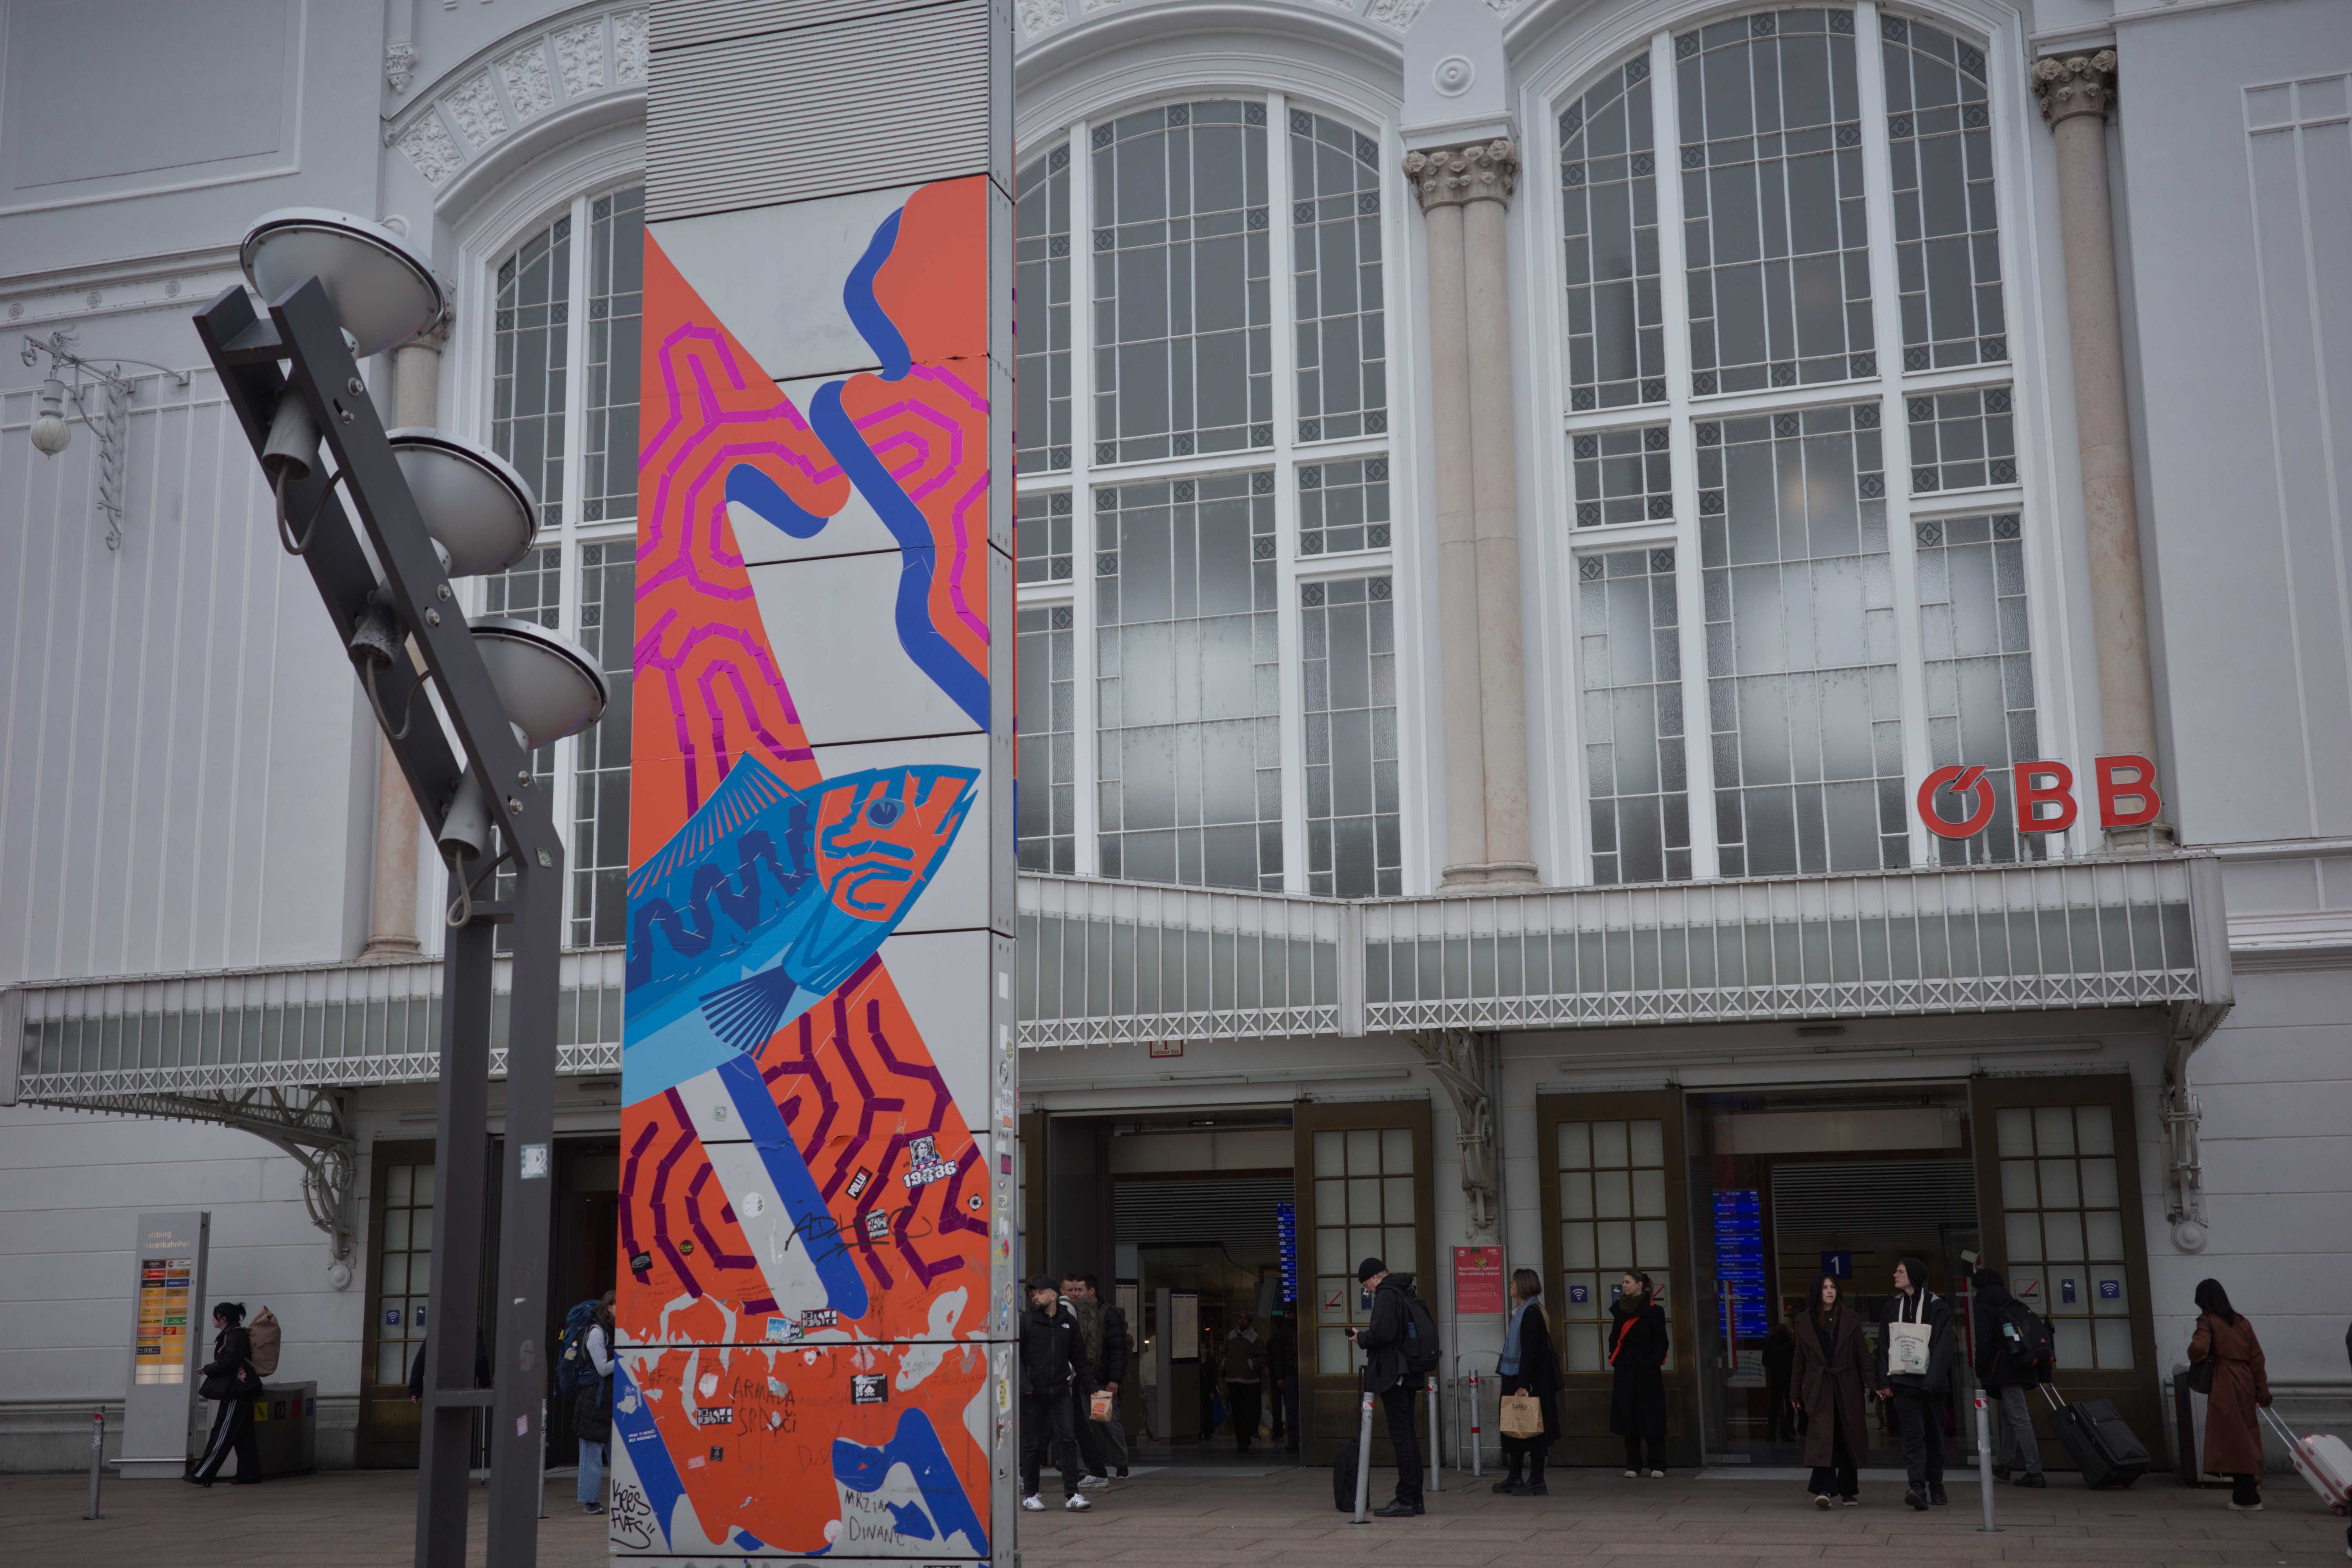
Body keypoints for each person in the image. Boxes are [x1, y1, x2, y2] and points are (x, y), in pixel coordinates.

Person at [1873, 1257, 1954, 1512]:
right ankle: (1917, 1486)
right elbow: (1884, 1345)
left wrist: (1931, 1382)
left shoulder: (1937, 1307)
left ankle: (1936, 1483)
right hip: (1902, 1385)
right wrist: (1884, 1382)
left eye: (1900, 1271)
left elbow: (1944, 1347)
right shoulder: (1890, 1307)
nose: (1895, 1275)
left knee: (1934, 1437)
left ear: (1915, 1275)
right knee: (1912, 1437)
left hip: (1932, 1387)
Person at [1348, 1257, 1425, 1517]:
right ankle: (1415, 1497)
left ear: (1373, 1278)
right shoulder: (1404, 1291)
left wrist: (1362, 1338)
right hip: (1409, 1371)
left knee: (1401, 1436)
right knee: (1409, 1435)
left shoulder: (1385, 1294)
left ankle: (1405, 1499)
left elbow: (1384, 1333)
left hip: (1394, 1373)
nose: (1367, 1290)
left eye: (1366, 1284)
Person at [2188, 1279, 2272, 1512]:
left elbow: (2199, 1348)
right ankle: (2246, 1490)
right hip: (2245, 1378)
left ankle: (2246, 1494)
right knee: (2245, 1432)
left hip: (2224, 1379)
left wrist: (2193, 1354)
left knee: (2230, 1435)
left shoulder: (2207, 1321)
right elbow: (2257, 1358)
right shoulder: (2243, 1322)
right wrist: (2262, 1390)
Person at [1790, 1272, 1871, 1508]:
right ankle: (1824, 1489)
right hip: (1818, 1387)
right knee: (1822, 1438)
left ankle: (1848, 1490)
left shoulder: (1850, 1319)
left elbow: (1862, 1356)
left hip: (1847, 1386)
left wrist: (1877, 1385)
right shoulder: (1805, 1321)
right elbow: (1798, 1362)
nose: (1829, 1291)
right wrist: (1795, 1394)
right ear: (1816, 1292)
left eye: (1833, 1287)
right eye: (1825, 1287)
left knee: (1848, 1436)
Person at [1020, 1279, 1093, 1512]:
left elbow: (1080, 1359)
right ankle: (1031, 1494)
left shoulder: (1068, 1323)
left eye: (1040, 1293)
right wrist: (1026, 1386)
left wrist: (1093, 1389)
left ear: (1053, 1296)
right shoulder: (1028, 1322)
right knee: (1033, 1443)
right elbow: (1018, 1358)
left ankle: (1072, 1494)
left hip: (1061, 1392)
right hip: (1034, 1393)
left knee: (1068, 1440)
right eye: (1034, 1293)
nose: (1035, 1297)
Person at [1971, 1268, 2047, 1488]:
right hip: (2022, 1366)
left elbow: (1984, 1343)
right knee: (2008, 1416)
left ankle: (2035, 1471)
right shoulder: (2016, 1305)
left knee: (2019, 1418)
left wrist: (1981, 1370)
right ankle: (2006, 1464)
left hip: (2004, 1369)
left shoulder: (1984, 1307)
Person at [1494, 1268, 1561, 1496]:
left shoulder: (1530, 1313)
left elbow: (1530, 1352)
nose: (1510, 1286)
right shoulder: (1523, 1311)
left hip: (1530, 1380)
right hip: (1517, 1376)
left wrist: (1523, 1384)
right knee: (1515, 1425)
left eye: (1513, 1283)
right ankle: (1515, 1477)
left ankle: (1536, 1480)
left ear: (1523, 1285)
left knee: (1533, 1428)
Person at [187, 1301, 262, 1486]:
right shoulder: (234, 1334)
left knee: (221, 1432)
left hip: (236, 1392)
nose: (212, 1319)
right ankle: (249, 1474)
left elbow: (231, 1361)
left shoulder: (235, 1335)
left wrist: (208, 1369)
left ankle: (203, 1474)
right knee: (244, 1435)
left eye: (215, 1316)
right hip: (242, 1390)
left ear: (223, 1318)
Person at [1609, 1270, 1669, 1478]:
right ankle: (1633, 1465)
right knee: (1629, 1417)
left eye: (1627, 1282)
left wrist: (1651, 1362)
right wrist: (1617, 1361)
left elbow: (1662, 1342)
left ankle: (1658, 1464)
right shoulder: (1619, 1309)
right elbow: (1613, 1339)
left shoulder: (1655, 1311)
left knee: (1652, 1416)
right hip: (1626, 1369)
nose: (1623, 1285)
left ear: (1640, 1285)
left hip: (1647, 1370)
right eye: (1623, 1282)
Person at [1074, 1274, 1132, 1480]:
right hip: (1082, 1380)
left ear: (1092, 1291)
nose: (1076, 1294)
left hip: (1100, 1381)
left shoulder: (1109, 1315)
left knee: (1106, 1423)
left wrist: (1115, 1379)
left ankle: (1121, 1464)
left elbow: (1118, 1350)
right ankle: (1088, 1468)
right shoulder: (1075, 1313)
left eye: (1080, 1290)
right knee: (1084, 1425)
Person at [1057, 1275, 1112, 1490]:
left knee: (1049, 1427)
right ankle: (1096, 1471)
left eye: (1077, 1289)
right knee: (1077, 1426)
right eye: (1070, 1290)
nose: (1074, 1294)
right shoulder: (1088, 1310)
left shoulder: (1067, 1309)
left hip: (1068, 1376)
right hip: (1079, 1373)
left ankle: (1026, 1472)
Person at [574, 1290, 616, 1514]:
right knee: (592, 1456)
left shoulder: (616, 1332)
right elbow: (602, 1368)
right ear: (609, 1307)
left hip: (612, 1403)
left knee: (619, 1458)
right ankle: (590, 1502)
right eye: (619, 1304)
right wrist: (625, 1358)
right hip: (594, 1403)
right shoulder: (597, 1333)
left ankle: (624, 1498)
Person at [1221, 1312, 1266, 1452]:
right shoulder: (1231, 1337)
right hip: (1233, 1379)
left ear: (1250, 1321)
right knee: (1236, 1411)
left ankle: (1247, 1436)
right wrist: (1225, 1364)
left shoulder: (1255, 1339)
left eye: (1245, 1318)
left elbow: (1264, 1357)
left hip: (1250, 1380)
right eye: (1240, 1318)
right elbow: (1224, 1352)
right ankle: (1241, 1440)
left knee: (1250, 1411)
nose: (1242, 1321)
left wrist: (1251, 1365)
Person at [1268, 1304, 1300, 1452]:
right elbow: (1279, 1357)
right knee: (1292, 1407)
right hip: (1291, 1374)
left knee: (1293, 1407)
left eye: (1290, 1314)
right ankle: (1294, 1438)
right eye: (1286, 1314)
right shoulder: (1284, 1332)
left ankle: (1296, 1438)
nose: (1287, 1317)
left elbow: (1279, 1357)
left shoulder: (1284, 1332)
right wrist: (1280, 1377)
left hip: (1293, 1373)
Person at [1763, 1310, 1797, 1445]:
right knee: (1790, 1407)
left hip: (1775, 1379)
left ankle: (1771, 1433)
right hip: (1789, 1380)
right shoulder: (1791, 1346)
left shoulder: (1770, 1345)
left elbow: (1765, 1362)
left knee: (1774, 1407)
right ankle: (1786, 1432)